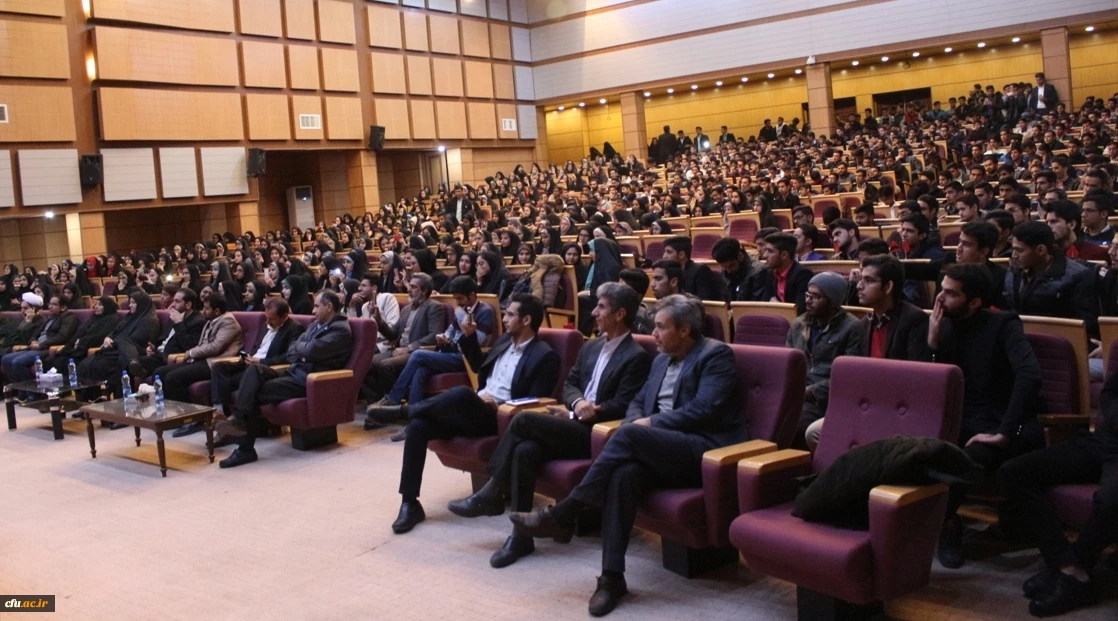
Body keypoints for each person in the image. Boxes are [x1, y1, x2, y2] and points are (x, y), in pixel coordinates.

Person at [508, 295, 741, 616]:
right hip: (659, 446)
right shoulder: (660, 359)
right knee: (623, 474)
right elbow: (637, 402)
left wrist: (648, 425)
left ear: (685, 330)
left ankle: (566, 512)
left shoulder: (716, 355)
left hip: (702, 449)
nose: (653, 334)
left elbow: (705, 409)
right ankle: (611, 578)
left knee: (629, 434)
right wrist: (637, 423)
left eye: (660, 327)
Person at [448, 283, 652, 568]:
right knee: (525, 450)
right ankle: (520, 537)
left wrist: (592, 409)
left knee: (523, 420)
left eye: (601, 307)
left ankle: (494, 489)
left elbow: (625, 403)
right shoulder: (591, 346)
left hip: (598, 433)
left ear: (620, 314)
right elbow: (570, 384)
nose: (594, 312)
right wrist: (577, 402)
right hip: (572, 421)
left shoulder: (636, 356)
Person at [377, 294, 560, 535]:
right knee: (419, 426)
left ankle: (404, 410)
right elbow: (478, 367)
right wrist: (470, 337)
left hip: (501, 419)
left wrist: (499, 404)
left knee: (462, 393)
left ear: (526, 320)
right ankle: (409, 503)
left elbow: (534, 403)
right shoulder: (504, 342)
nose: (504, 319)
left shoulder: (544, 356)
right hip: (476, 411)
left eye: (510, 314)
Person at [927, 264, 1043, 569]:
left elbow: (1029, 375)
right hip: (961, 418)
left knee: (962, 458)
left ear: (975, 301)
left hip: (1002, 422)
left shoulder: (1004, 324)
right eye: (941, 289)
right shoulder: (943, 324)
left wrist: (1004, 431)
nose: (940, 298)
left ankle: (947, 526)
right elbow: (935, 381)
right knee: (914, 446)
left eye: (950, 293)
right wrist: (934, 345)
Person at [998, 366, 1118, 617]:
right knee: (1015, 471)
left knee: (1110, 500)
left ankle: (1074, 575)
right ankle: (1065, 564)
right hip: (1106, 440)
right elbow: (1110, 393)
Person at [216, 291, 353, 468]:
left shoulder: (340, 330)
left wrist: (303, 350)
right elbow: (292, 351)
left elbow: (310, 350)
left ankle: (244, 446)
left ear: (329, 306)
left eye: (317, 306)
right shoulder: (315, 325)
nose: (313, 310)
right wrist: (304, 350)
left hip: (311, 380)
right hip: (294, 370)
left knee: (253, 391)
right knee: (255, 370)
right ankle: (239, 421)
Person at [364, 276, 497, 427]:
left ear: (472, 295)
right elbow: (450, 332)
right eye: (455, 299)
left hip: (467, 358)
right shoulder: (460, 309)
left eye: (460, 298)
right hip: (450, 352)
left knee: (418, 355)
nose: (458, 303)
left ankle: (393, 399)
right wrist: (444, 338)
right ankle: (414, 418)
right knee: (421, 369)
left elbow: (478, 341)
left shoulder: (485, 311)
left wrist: (460, 316)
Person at [787, 272, 863, 450]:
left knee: (793, 420)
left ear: (833, 301)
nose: (808, 300)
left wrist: (809, 392)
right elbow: (788, 363)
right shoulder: (798, 324)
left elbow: (848, 376)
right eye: (808, 295)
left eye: (816, 297)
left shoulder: (852, 328)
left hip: (826, 398)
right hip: (798, 393)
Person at [209, 297, 305, 426]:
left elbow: (288, 357)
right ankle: (219, 412)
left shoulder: (294, 328)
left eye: (272, 319)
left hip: (265, 368)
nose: (267, 321)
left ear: (284, 316)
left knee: (228, 383)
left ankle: (235, 421)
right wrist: (249, 356)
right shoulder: (266, 325)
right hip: (251, 362)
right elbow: (258, 347)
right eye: (266, 317)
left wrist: (261, 361)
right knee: (219, 367)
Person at [151, 292, 242, 420]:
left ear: (216, 311)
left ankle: (189, 418)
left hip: (214, 363)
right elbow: (202, 344)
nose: (202, 311)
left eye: (206, 308)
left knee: (173, 378)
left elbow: (215, 347)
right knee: (160, 372)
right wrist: (192, 355)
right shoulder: (211, 320)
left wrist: (191, 353)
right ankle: (170, 413)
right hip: (200, 360)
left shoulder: (228, 322)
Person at [1003, 221, 1099, 337]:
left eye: (1019, 250)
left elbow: (1085, 324)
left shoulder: (1078, 275)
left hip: (1057, 340)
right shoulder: (1014, 271)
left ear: (1040, 250)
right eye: (1013, 249)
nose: (1014, 255)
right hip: (1017, 336)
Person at [365, 273, 447, 402]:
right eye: (409, 286)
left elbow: (434, 335)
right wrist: (379, 320)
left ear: (424, 290)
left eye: (413, 287)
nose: (408, 289)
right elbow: (393, 334)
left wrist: (408, 348)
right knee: (364, 363)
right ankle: (376, 401)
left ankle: (392, 402)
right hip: (398, 349)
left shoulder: (434, 307)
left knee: (385, 365)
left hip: (417, 352)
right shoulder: (406, 309)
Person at [1, 295, 77, 383]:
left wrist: (40, 345)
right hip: (35, 347)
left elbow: (62, 337)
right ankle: (17, 387)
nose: (50, 307)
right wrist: (33, 341)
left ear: (63, 307)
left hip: (46, 348)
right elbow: (36, 334)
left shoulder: (68, 318)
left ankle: (30, 389)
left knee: (17, 362)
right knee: (6, 359)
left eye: (54, 304)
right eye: (49, 304)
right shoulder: (50, 318)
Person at [43, 296, 120, 375]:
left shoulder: (112, 320)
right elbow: (79, 333)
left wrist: (82, 342)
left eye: (100, 305)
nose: (95, 307)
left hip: (87, 350)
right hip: (78, 349)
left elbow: (101, 337)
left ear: (107, 307)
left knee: (67, 363)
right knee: (52, 360)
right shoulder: (94, 318)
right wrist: (73, 343)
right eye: (96, 304)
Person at [745, 233, 812, 314]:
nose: (764, 256)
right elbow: (764, 304)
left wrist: (777, 305)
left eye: (770, 251)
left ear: (784, 255)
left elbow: (799, 311)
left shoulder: (803, 275)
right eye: (766, 250)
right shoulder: (770, 273)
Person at [1045, 200, 1109, 263]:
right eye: (1047, 222)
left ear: (1072, 225)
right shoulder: (1045, 254)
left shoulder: (1096, 254)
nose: (1048, 226)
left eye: (1054, 221)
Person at [662, 236, 720, 300]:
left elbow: (704, 301)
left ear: (681, 255)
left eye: (669, 252)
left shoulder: (701, 271)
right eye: (665, 252)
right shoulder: (668, 272)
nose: (664, 256)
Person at [711, 237, 752, 301]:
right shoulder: (726, 272)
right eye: (724, 267)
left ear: (740, 256)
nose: (728, 271)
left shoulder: (758, 273)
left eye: (731, 266)